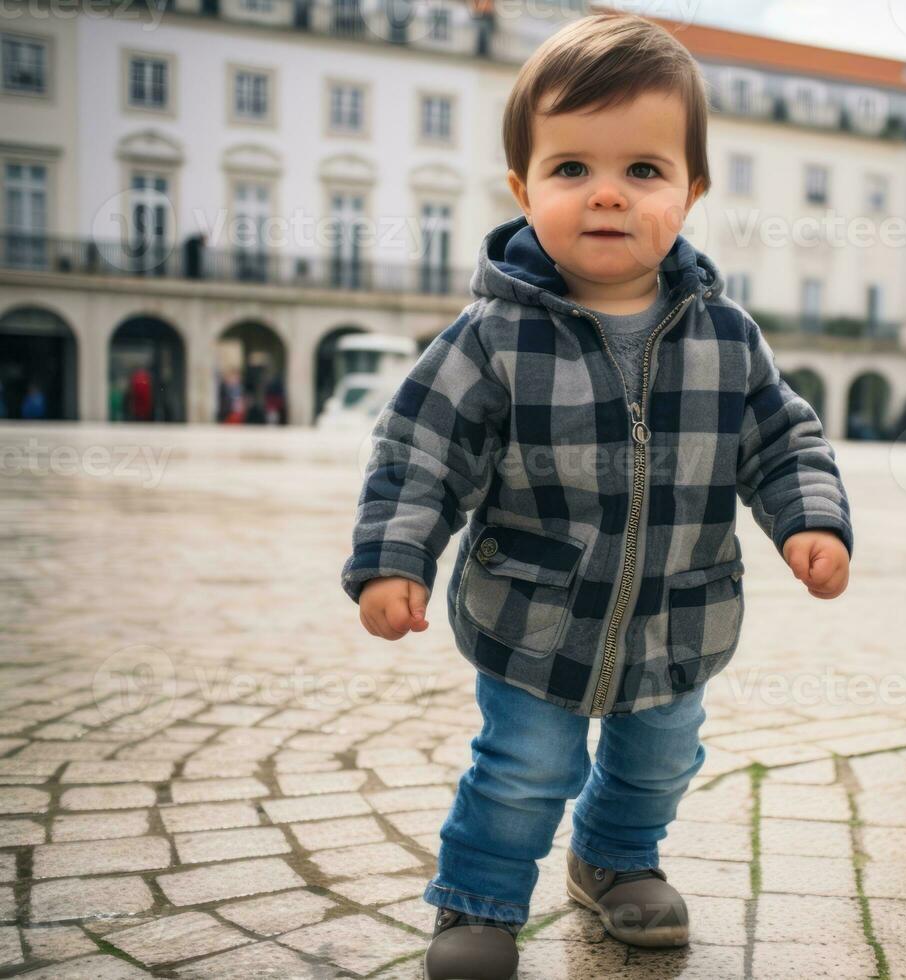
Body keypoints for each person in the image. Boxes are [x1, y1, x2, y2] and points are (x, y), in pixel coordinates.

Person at [339, 13, 854, 979]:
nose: (606, 194)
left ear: (691, 193)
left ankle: (615, 862)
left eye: (643, 172)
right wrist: (391, 559)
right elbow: (418, 452)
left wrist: (810, 518)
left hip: (680, 614)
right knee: (524, 768)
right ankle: (478, 907)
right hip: (533, 616)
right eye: (570, 168)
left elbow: (782, 435)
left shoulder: (726, 335)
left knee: (659, 759)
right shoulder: (491, 335)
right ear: (522, 188)